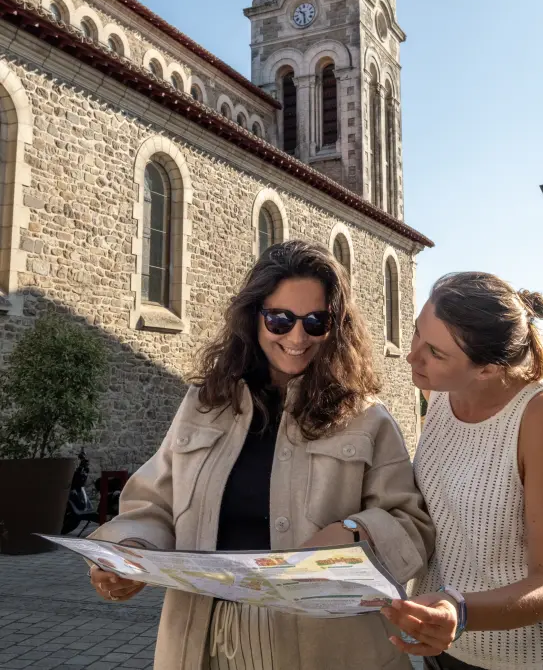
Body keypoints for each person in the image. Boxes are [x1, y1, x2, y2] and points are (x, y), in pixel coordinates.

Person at [88, 240, 438, 670]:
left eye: (315, 322)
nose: (297, 337)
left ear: (336, 327)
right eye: (280, 319)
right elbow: (155, 503)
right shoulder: (203, 404)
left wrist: (354, 531)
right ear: (254, 317)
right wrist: (130, 553)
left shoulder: (367, 419)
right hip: (203, 643)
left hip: (329, 651)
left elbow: (411, 524)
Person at [383, 272, 543, 670]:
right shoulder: (440, 395)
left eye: (435, 351)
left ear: (485, 369)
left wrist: (461, 611)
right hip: (446, 653)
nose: (413, 355)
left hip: (533, 662)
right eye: (416, 333)